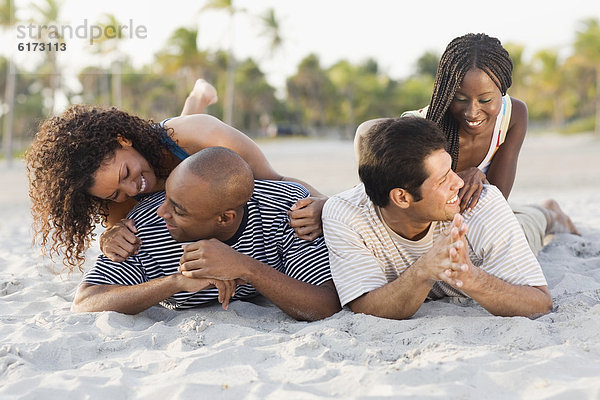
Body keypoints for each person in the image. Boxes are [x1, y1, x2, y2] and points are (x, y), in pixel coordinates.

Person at [26, 86, 325, 272]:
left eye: (126, 173)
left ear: (123, 139)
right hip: (162, 157)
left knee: (175, 135)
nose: (132, 189)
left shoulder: (204, 135)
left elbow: (279, 181)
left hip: (177, 143)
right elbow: (118, 226)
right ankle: (193, 99)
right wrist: (108, 237)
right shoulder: (112, 189)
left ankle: (197, 97)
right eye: (115, 194)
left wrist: (322, 203)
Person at [322, 117, 577, 320]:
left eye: (451, 169)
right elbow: (365, 306)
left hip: (498, 247)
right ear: (401, 197)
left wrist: (469, 277)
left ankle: (549, 212)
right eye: (443, 179)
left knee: (529, 225)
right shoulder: (345, 215)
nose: (459, 181)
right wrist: (425, 269)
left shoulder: (479, 203)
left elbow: (540, 303)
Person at [72, 147, 341, 321]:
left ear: (225, 218)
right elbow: (86, 301)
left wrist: (245, 268)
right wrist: (177, 282)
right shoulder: (142, 228)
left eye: (178, 210)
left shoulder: (289, 210)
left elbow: (324, 304)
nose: (162, 212)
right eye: (166, 198)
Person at [354, 33, 528, 214]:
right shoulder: (419, 128)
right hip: (437, 220)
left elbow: (497, 201)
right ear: (446, 91)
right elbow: (363, 131)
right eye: (460, 98)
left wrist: (480, 176)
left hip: (479, 216)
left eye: (485, 100)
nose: (472, 112)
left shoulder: (514, 115)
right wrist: (368, 187)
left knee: (530, 220)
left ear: (502, 91)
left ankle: (549, 211)